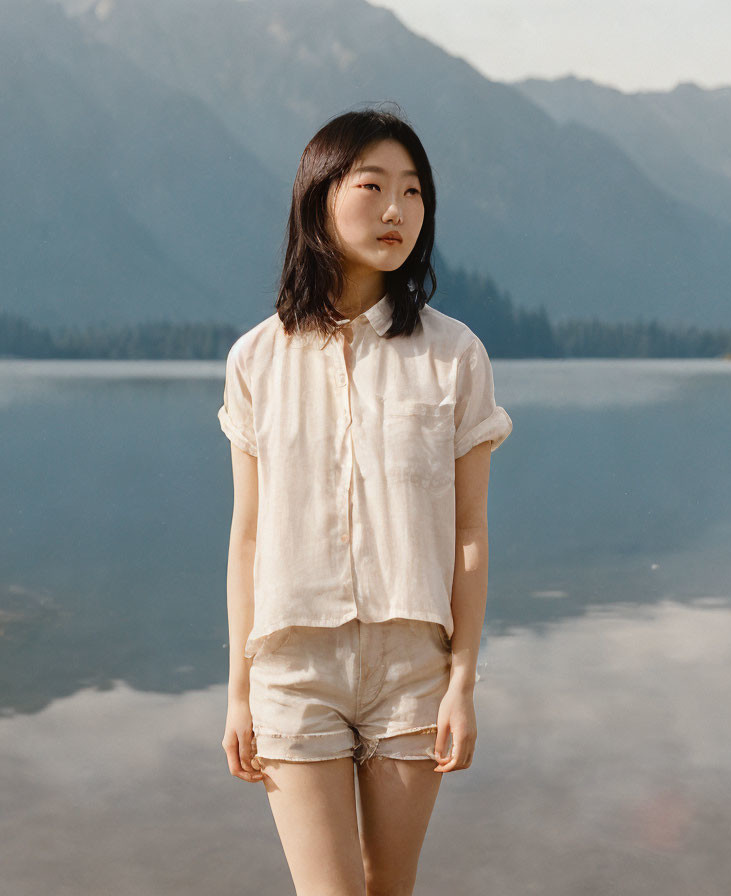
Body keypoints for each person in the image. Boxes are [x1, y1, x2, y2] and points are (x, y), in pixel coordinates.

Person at [217, 103, 513, 895]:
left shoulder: (455, 355)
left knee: (389, 890)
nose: (396, 211)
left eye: (414, 192)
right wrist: (240, 693)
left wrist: (461, 680)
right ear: (318, 197)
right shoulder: (256, 361)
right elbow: (247, 537)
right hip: (292, 668)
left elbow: (469, 532)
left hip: (412, 668)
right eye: (374, 184)